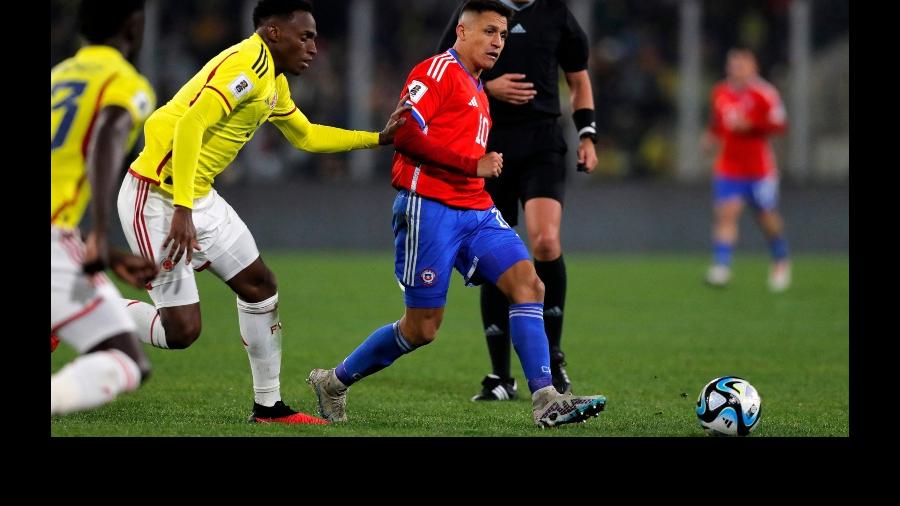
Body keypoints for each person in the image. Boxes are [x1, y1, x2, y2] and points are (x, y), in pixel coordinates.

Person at [307, 0, 607, 428]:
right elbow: (405, 134)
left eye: (502, 35)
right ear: (461, 33)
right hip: (427, 207)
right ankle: (334, 381)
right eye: (489, 32)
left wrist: (478, 166)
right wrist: (474, 165)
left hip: (475, 208)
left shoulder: (479, 89)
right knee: (422, 328)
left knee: (528, 283)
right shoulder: (435, 72)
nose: (498, 42)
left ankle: (546, 398)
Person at [115, 0, 409, 424]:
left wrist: (378, 139)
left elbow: (306, 136)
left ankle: (268, 407)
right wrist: (181, 207)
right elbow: (190, 124)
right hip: (157, 197)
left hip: (197, 196)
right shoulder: (246, 66)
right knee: (181, 331)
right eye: (304, 36)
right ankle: (75, 310)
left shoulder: (272, 80)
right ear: (274, 33)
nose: (313, 47)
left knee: (259, 286)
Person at [437, 0, 599, 401]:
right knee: (495, 250)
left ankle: (553, 355)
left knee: (545, 241)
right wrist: (488, 88)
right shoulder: (477, 10)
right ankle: (499, 376)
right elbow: (445, 69)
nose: (497, 39)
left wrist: (587, 135)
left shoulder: (556, 14)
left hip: (543, 141)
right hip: (490, 144)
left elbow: (578, 80)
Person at [51, 0, 160, 416]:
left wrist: (108, 255)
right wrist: (100, 231)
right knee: (126, 360)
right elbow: (111, 130)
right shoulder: (124, 80)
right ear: (133, 25)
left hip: (61, 237)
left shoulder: (57, 77)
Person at [702, 47, 790, 292]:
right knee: (726, 213)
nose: (736, 70)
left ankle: (781, 260)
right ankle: (721, 267)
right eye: (733, 65)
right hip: (729, 166)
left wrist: (752, 125)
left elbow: (780, 125)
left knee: (766, 217)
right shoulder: (720, 92)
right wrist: (710, 138)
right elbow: (717, 123)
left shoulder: (765, 93)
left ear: (754, 68)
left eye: (741, 65)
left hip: (759, 169)